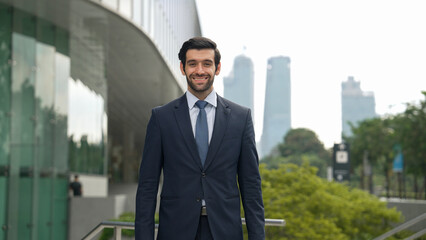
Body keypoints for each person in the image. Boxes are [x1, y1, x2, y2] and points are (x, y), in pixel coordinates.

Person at [135, 37, 265, 240]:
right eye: (192, 63)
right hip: (175, 230)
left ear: (218, 68)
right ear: (182, 68)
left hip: (225, 231)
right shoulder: (161, 118)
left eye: (207, 63)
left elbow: (251, 185)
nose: (200, 70)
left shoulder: (241, 118)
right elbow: (147, 186)